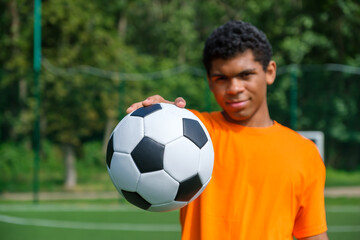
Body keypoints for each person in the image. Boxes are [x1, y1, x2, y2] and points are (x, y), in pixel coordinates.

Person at [127, 20, 328, 240]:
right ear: (210, 82)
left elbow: (313, 235)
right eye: (221, 78)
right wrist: (156, 115)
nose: (234, 89)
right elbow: (160, 130)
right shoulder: (194, 133)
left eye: (245, 75)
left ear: (269, 72)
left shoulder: (304, 153)